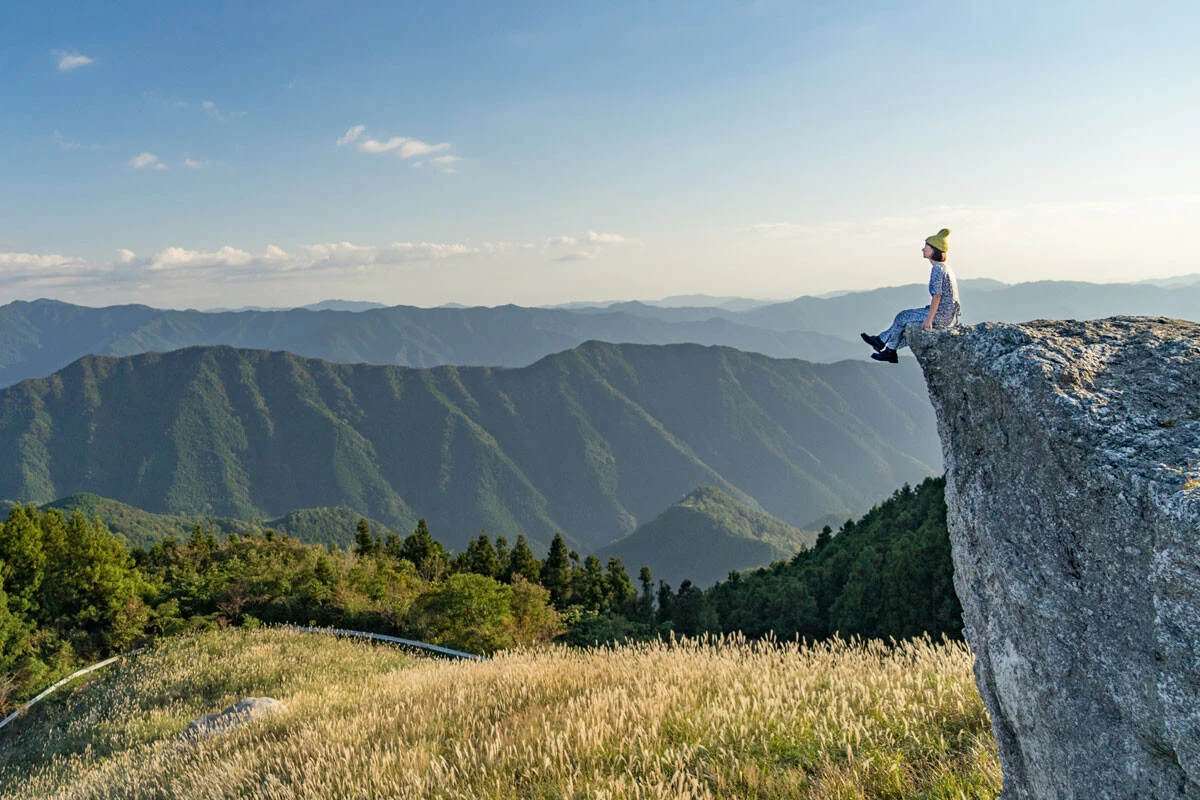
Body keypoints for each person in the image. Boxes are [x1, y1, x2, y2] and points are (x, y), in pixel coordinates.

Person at [860, 228, 959, 363]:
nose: (923, 249)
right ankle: (886, 347)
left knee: (903, 316)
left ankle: (885, 346)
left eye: (926, 246)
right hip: (949, 315)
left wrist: (929, 319)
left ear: (934, 250)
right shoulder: (945, 268)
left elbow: (937, 295)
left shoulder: (937, 269)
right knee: (904, 323)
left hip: (942, 315)